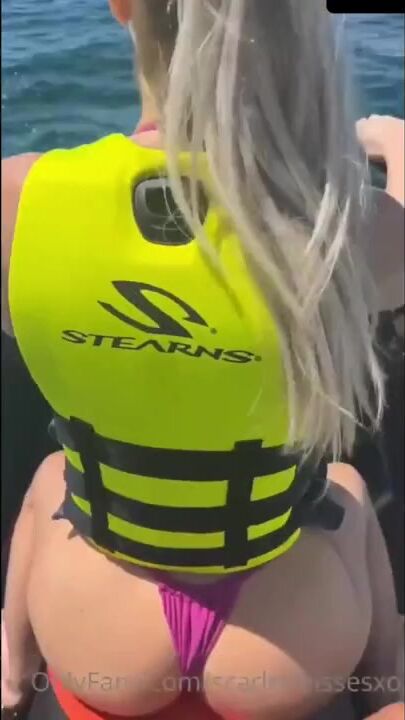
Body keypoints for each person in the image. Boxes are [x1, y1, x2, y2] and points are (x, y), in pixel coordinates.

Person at [1, 1, 404, 719]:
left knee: (51, 474)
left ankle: (9, 672)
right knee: (345, 480)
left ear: (122, 7)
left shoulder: (20, 200)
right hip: (287, 653)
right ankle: (387, 686)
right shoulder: (339, 225)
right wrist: (391, 146)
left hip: (99, 641)